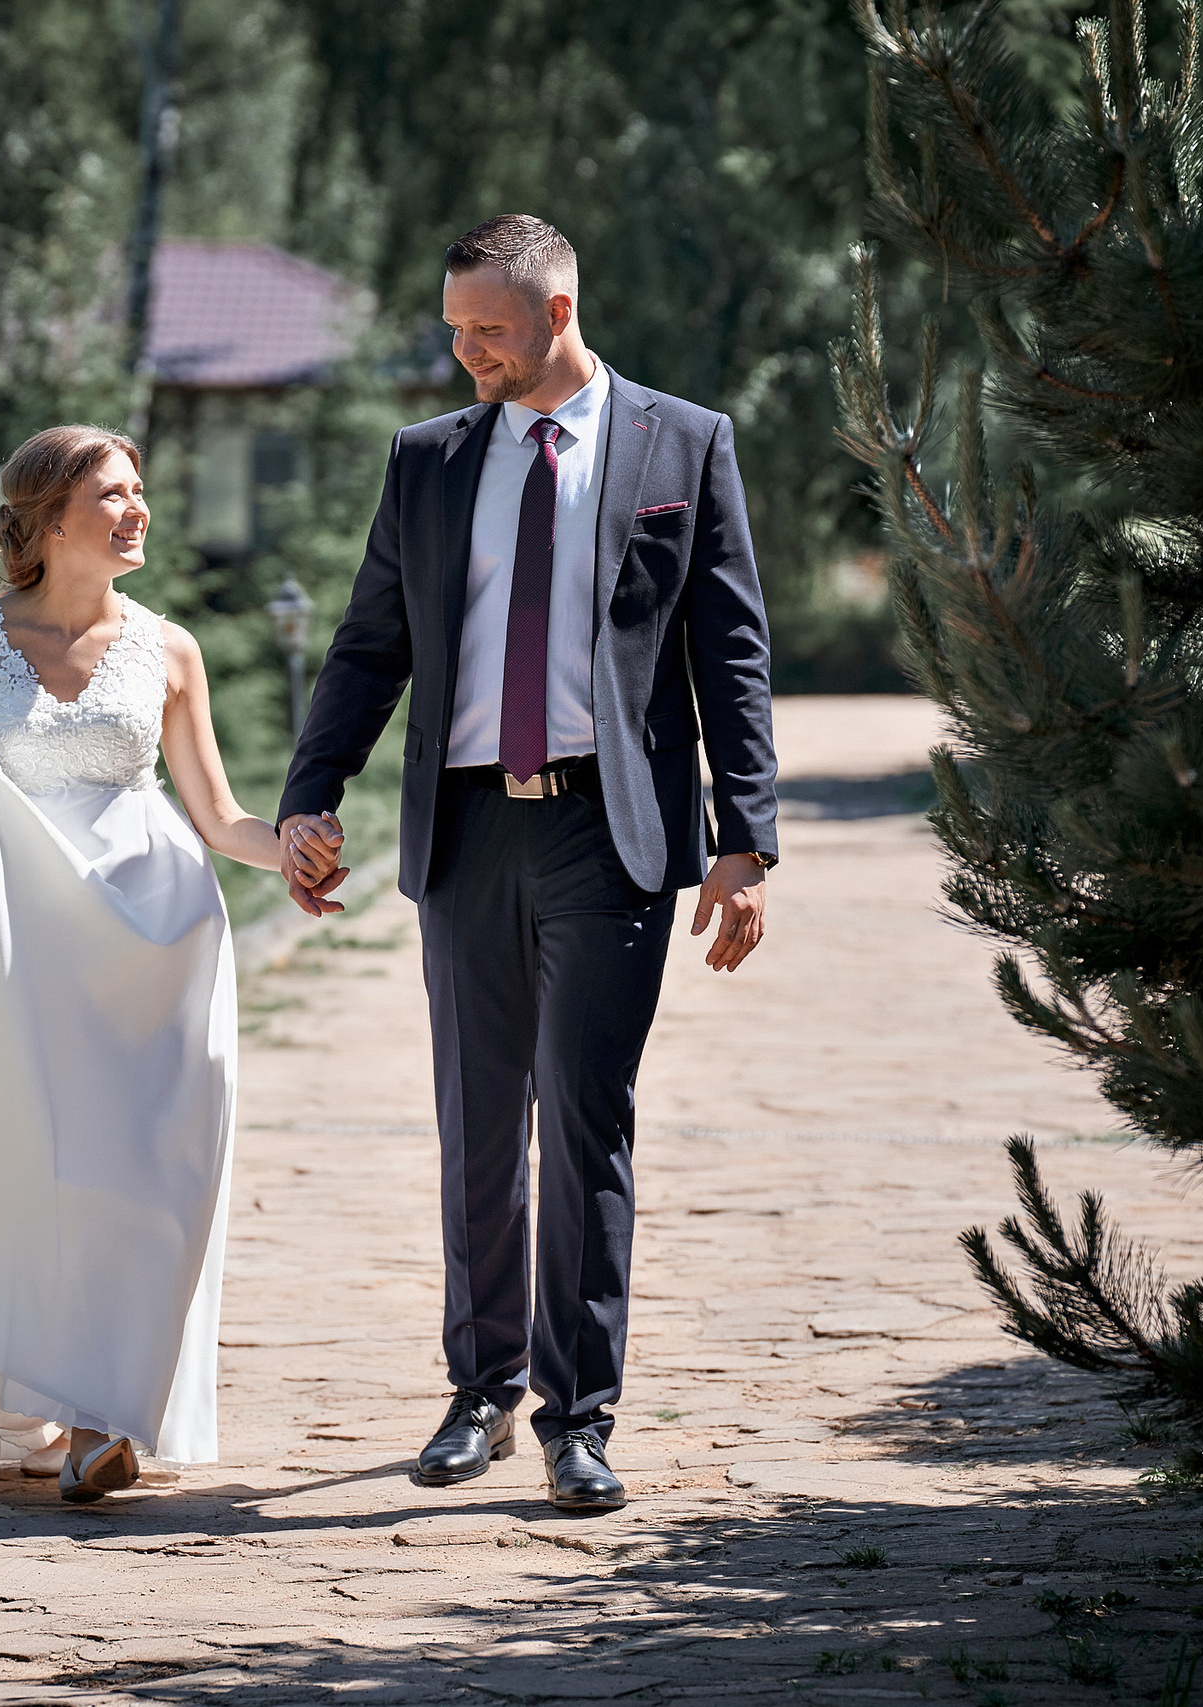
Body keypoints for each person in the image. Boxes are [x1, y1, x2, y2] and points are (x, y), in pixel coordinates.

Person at [278, 215, 779, 1513]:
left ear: (557, 312)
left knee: (586, 1124)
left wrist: (744, 842)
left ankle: (581, 1414)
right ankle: (483, 1387)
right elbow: (368, 643)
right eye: (453, 325)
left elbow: (731, 651)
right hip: (465, 830)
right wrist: (307, 794)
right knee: (478, 1125)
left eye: (485, 329)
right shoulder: (429, 462)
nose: (463, 350)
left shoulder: (684, 443)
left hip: (605, 832)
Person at [0, 425, 282, 1503]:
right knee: (33, 1169)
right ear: (47, 518)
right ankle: (52, 1400)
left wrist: (291, 845)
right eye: (113, 495)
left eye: (140, 491)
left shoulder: (168, 650)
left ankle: (101, 1419)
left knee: (144, 1174)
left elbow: (217, 815)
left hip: (154, 941)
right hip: (22, 943)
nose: (138, 511)